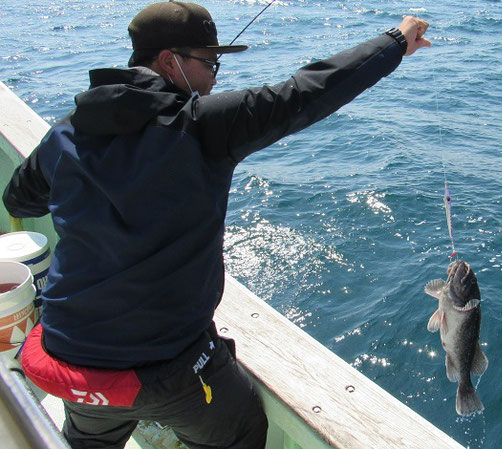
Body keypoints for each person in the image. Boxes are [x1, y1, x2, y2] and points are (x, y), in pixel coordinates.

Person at [3, 1, 430, 448]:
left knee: (89, 435)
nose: (214, 78)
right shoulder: (203, 127)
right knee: (241, 432)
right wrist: (395, 42)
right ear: (170, 62)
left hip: (67, 359)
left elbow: (20, 198)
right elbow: (307, 92)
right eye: (210, 63)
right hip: (166, 373)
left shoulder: (65, 133)